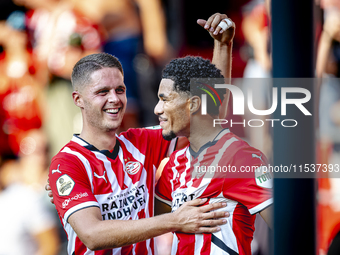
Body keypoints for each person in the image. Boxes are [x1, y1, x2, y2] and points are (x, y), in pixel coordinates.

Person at [48, 13, 234, 255]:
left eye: (120, 89)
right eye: (102, 92)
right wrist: (175, 221)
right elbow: (92, 235)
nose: (114, 99)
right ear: (78, 100)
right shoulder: (67, 163)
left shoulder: (140, 142)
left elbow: (209, 117)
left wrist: (222, 45)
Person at [153, 16, 273, 255]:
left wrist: (223, 46)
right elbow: (149, 221)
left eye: (164, 100)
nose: (157, 109)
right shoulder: (174, 165)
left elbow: (289, 228)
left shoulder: (242, 159)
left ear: (194, 104)